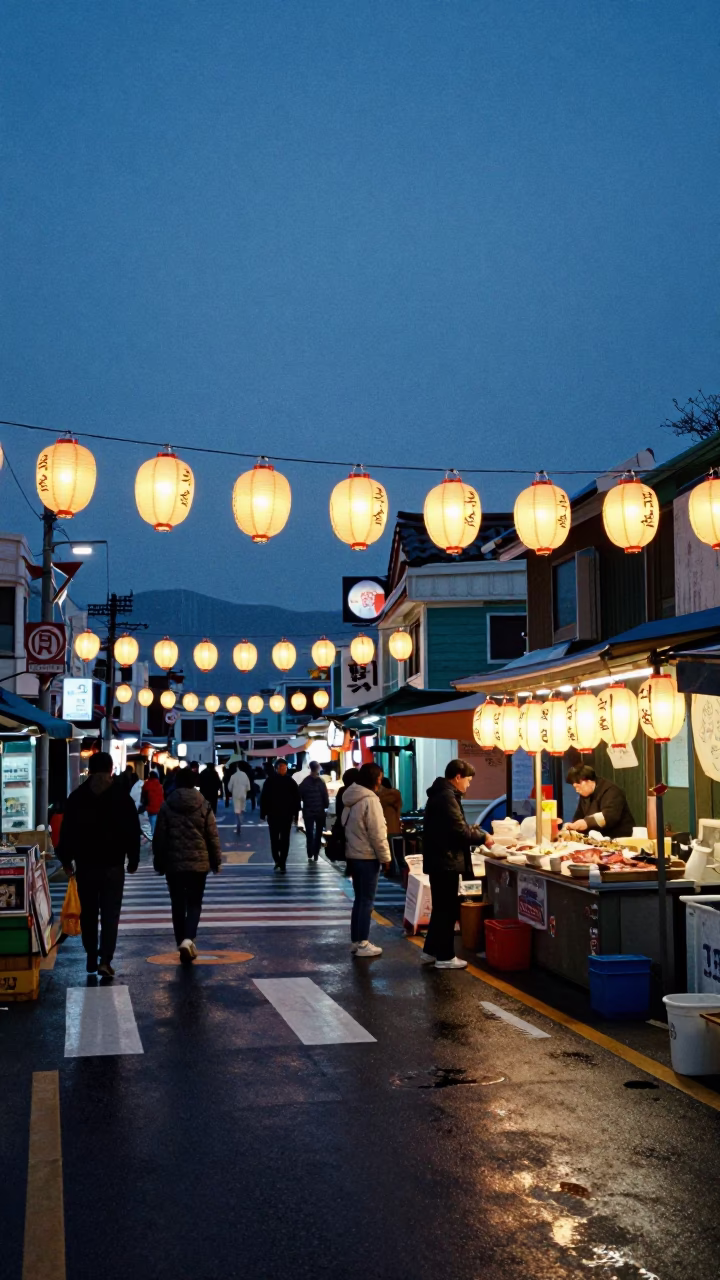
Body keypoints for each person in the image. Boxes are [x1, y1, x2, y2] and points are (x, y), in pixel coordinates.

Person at [58, 751, 141, 978]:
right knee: (110, 914)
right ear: (111, 769)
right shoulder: (122, 797)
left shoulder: (77, 797)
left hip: (86, 865)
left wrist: (66, 859)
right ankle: (105, 959)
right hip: (113, 865)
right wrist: (133, 859)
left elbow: (67, 831)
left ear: (91, 770)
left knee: (89, 912)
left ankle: (91, 955)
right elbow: (132, 831)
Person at [422, 759, 493, 971]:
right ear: (458, 777)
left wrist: (471, 829)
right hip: (446, 860)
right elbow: (459, 831)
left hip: (440, 860)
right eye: (468, 780)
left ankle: (430, 951)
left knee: (441, 908)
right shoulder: (446, 797)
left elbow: (453, 826)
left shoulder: (442, 793)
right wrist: (483, 837)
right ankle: (445, 956)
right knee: (447, 909)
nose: (468, 785)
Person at [152, 766, 222, 962]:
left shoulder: (167, 805)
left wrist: (158, 860)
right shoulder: (204, 804)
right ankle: (188, 939)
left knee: (177, 903)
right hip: (198, 863)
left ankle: (181, 941)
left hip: (173, 863)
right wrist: (216, 861)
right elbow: (212, 836)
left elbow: (159, 837)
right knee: (194, 903)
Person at [341, 762, 392, 957]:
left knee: (360, 900)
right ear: (375, 778)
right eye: (380, 775)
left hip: (353, 855)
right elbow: (377, 833)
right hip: (367, 856)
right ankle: (362, 942)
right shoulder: (370, 800)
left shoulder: (351, 798)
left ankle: (357, 940)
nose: (381, 778)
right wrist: (386, 858)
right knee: (366, 901)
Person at [563, 764, 635, 839]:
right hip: (598, 838)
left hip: (619, 838)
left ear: (588, 780)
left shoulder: (611, 791)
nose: (577, 790)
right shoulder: (585, 794)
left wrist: (586, 823)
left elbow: (609, 816)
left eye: (578, 786)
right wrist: (573, 826)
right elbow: (579, 815)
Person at [260, 760, 301, 871]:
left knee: (285, 839)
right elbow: (264, 798)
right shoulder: (270, 781)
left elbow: (297, 799)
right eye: (281, 767)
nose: (283, 769)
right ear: (276, 768)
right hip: (273, 815)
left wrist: (295, 815)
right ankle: (277, 859)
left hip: (286, 815)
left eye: (285, 767)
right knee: (274, 839)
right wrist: (263, 814)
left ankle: (282, 862)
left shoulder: (290, 781)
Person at [298, 761, 329, 861]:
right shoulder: (321, 781)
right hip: (319, 811)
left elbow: (299, 795)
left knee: (309, 832)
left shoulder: (305, 782)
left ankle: (310, 853)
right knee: (319, 832)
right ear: (318, 768)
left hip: (308, 811)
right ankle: (316, 853)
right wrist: (326, 805)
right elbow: (325, 796)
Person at [228, 765, 251, 834]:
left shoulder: (233, 776)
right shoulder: (245, 775)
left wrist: (231, 790)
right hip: (243, 794)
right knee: (242, 808)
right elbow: (248, 786)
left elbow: (229, 787)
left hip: (236, 794)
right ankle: (241, 820)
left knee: (237, 811)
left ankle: (239, 824)